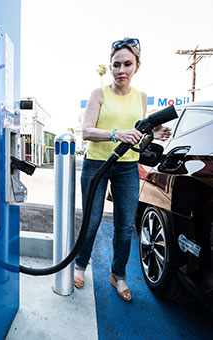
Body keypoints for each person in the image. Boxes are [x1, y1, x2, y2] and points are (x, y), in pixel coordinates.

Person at [74, 37, 171, 301]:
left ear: (137, 66)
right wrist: (117, 134)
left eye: (127, 64)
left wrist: (156, 133)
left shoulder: (141, 97)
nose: (121, 70)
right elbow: (86, 132)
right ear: (110, 67)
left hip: (127, 167)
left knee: (125, 225)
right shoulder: (99, 93)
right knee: (92, 221)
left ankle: (118, 275)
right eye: (116, 65)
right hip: (97, 164)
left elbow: (138, 133)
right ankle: (80, 265)